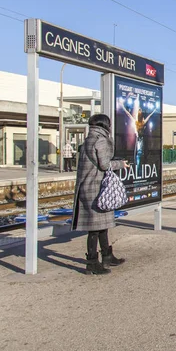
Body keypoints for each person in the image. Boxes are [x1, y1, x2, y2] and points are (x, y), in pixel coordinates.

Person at [72, 114, 129, 275]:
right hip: (97, 188)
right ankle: (92, 262)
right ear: (106, 125)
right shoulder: (101, 140)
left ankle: (107, 255)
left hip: (87, 187)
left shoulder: (88, 139)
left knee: (101, 226)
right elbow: (104, 165)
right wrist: (121, 164)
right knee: (95, 229)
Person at [120, 100, 156, 167]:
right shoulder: (141, 122)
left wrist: (123, 107)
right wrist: (154, 111)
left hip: (139, 138)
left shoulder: (137, 122)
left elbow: (128, 114)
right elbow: (149, 116)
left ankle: (137, 164)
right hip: (139, 138)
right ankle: (138, 164)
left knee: (138, 152)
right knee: (139, 152)